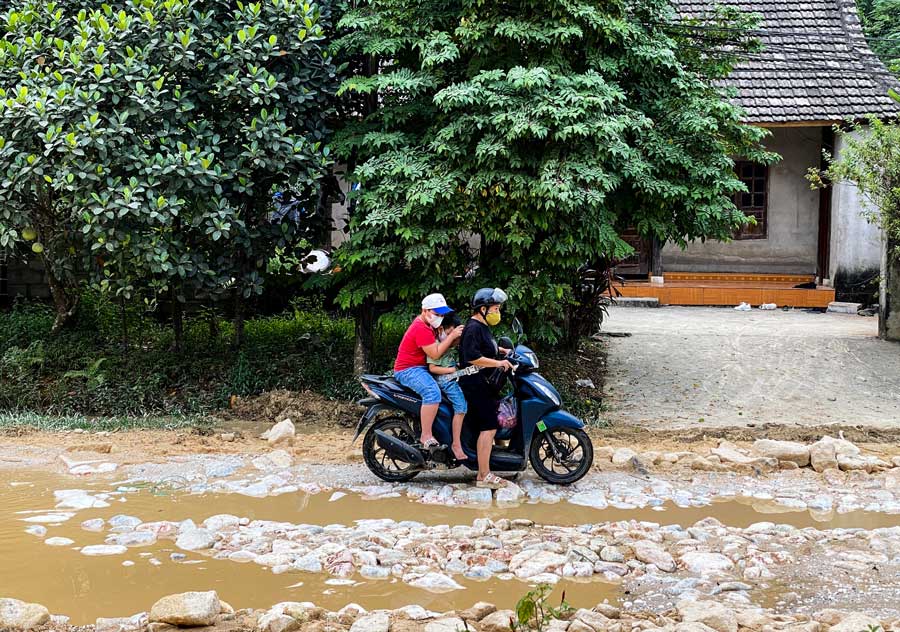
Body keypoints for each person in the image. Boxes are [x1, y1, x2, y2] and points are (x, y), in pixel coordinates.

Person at [458, 287, 515, 489]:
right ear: (483, 309)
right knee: (489, 426)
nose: (497, 312)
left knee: (488, 424)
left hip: (483, 382)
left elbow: (486, 347)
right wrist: (498, 363)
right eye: (495, 308)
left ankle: (488, 465)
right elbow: (472, 356)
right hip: (474, 383)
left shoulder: (482, 327)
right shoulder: (473, 328)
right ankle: (484, 475)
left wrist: (502, 351)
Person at [393, 293, 464, 448]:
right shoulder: (421, 328)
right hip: (409, 370)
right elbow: (435, 353)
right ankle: (426, 436)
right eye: (436, 314)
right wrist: (451, 336)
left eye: (441, 314)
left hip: (420, 368)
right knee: (432, 392)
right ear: (424, 311)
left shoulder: (429, 326)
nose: (440, 317)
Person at [426, 313, 468, 461]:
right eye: (451, 334)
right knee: (461, 407)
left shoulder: (448, 344)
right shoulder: (436, 344)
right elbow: (432, 368)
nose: (454, 339)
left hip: (451, 377)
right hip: (444, 379)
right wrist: (451, 370)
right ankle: (456, 444)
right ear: (441, 329)